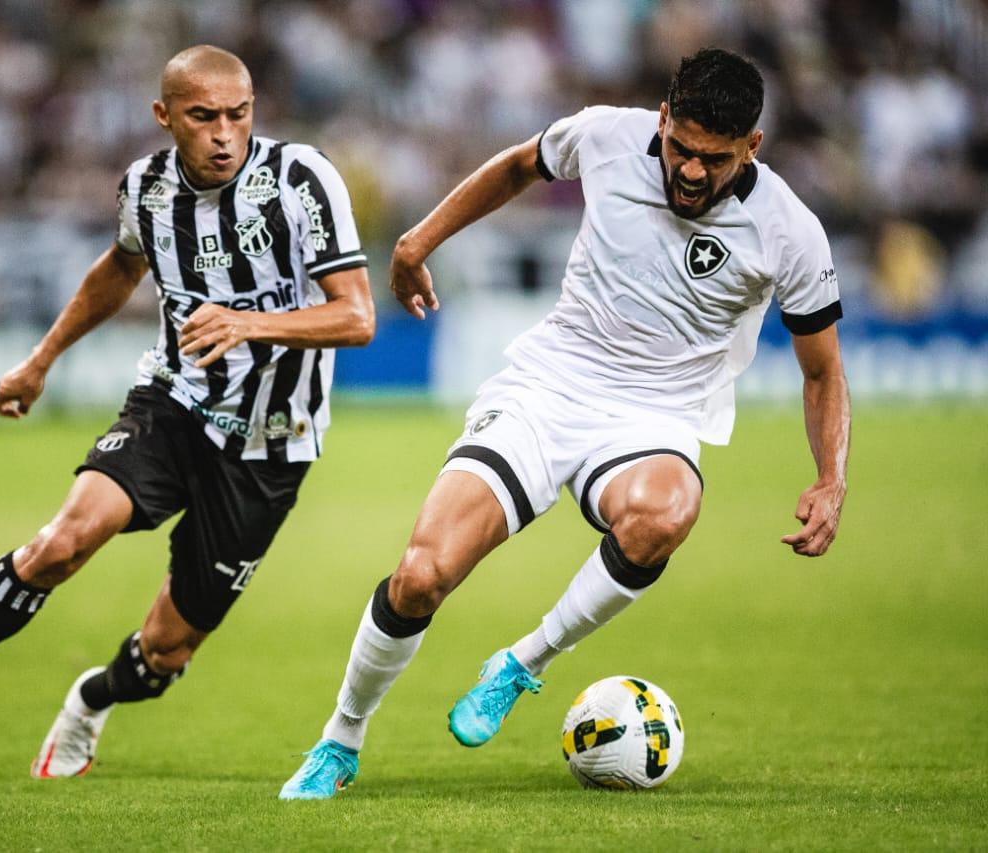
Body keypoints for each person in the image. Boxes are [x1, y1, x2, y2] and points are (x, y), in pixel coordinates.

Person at [279, 47, 849, 800]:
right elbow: (520, 164)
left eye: (713, 160)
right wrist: (419, 240)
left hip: (659, 414)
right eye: (680, 148)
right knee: (420, 575)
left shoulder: (789, 231)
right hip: (549, 385)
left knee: (667, 511)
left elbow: (822, 372)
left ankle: (522, 663)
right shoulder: (607, 136)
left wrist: (831, 477)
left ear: (753, 147)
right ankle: (341, 739)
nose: (688, 171)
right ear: (662, 120)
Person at [0, 45, 374, 779]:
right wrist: (40, 359)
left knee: (167, 649)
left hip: (273, 442)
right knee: (63, 540)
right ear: (164, 117)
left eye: (238, 115)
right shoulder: (145, 188)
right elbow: (122, 265)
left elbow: (356, 317)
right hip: (173, 405)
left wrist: (248, 324)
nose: (224, 134)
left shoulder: (302, 180)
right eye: (203, 116)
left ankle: (91, 697)